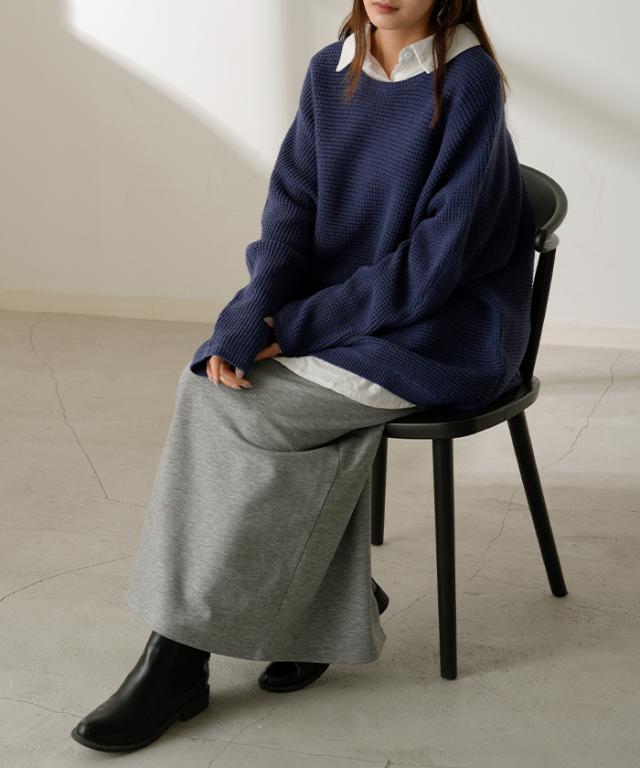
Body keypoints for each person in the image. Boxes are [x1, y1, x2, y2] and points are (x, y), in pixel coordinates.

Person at [71, 0, 536, 753]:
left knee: (252, 410)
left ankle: (177, 661)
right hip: (347, 314)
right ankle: (320, 604)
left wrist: (290, 327)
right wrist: (247, 313)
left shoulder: (468, 80)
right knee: (207, 383)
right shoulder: (331, 71)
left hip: (440, 331)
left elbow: (433, 266)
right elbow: (290, 215)